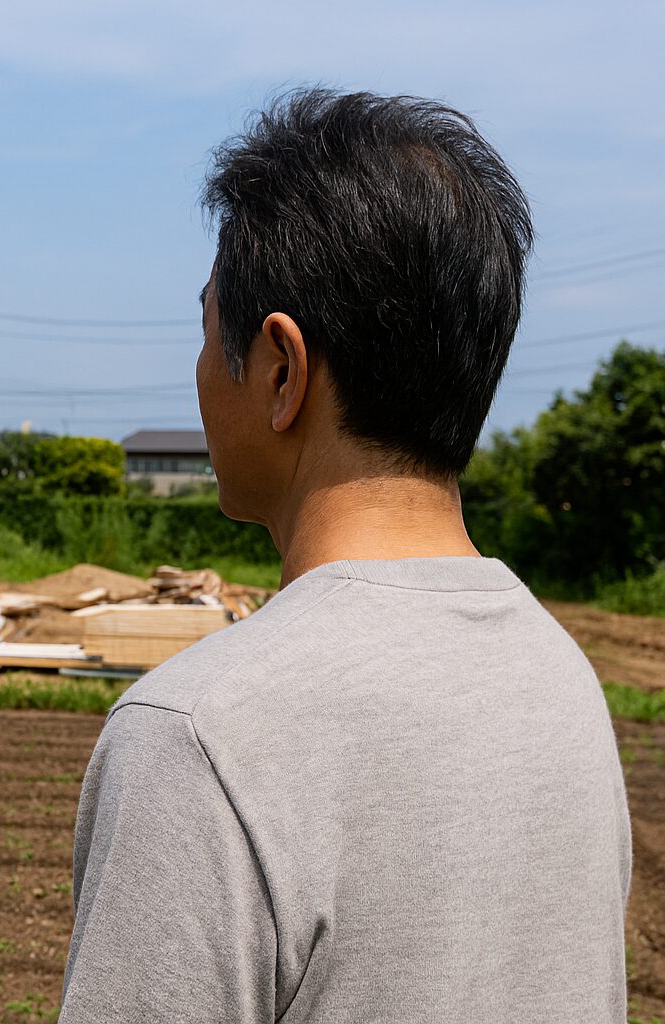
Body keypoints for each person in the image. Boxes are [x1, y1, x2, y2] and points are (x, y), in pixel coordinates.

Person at [60, 89, 631, 1023]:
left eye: (210, 334)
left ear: (281, 370)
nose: (202, 376)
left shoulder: (199, 734)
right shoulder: (558, 676)